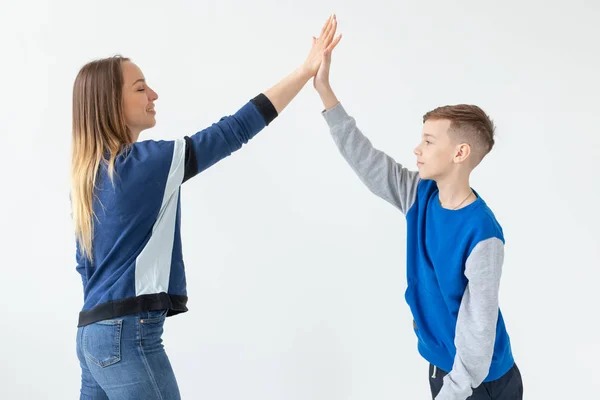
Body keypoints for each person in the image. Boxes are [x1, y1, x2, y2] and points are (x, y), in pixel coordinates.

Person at [71, 15, 342, 399]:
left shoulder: (88, 175)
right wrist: (305, 71)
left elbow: (85, 266)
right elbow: (233, 130)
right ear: (112, 103)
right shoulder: (147, 164)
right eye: (140, 88)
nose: (154, 95)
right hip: (126, 336)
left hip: (90, 337)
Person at [311, 38, 523, 399]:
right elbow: (366, 159)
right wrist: (324, 90)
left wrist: (453, 391)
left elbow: (478, 332)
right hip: (444, 369)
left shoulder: (482, 233)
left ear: (460, 152)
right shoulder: (418, 196)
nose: (416, 149)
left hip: (480, 383)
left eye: (427, 141)